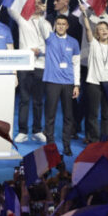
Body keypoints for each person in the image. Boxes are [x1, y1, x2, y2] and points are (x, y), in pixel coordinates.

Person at [9, 0, 50, 142]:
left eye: (39, 3)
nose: (37, 5)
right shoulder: (23, 19)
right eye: (34, 3)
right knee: (24, 99)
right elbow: (10, 9)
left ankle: (37, 130)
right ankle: (22, 131)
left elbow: (51, 43)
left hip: (40, 64)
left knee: (38, 100)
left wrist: (41, 51)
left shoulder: (46, 23)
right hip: (25, 65)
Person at [80, 10, 108, 143]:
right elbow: (87, 28)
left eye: (106, 29)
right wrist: (84, 14)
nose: (104, 31)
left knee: (106, 114)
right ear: (97, 33)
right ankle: (94, 140)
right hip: (94, 83)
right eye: (101, 29)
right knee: (92, 114)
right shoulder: (93, 44)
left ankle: (104, 139)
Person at [43, 15, 81, 155]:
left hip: (68, 82)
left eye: (63, 24)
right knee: (50, 115)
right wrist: (42, 12)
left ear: (67, 26)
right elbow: (41, 24)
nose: (60, 26)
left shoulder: (74, 42)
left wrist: (77, 85)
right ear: (55, 25)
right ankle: (50, 146)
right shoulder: (49, 38)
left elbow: (76, 64)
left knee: (68, 116)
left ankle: (66, 145)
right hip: (52, 81)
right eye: (58, 23)